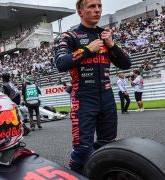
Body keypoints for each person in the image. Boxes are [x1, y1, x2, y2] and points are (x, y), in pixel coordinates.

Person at [53, 0, 131, 173]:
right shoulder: (69, 36)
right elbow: (60, 63)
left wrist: (112, 45)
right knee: (82, 149)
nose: (97, 10)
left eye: (99, 6)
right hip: (83, 98)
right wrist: (88, 49)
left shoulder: (105, 35)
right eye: (92, 6)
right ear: (80, 11)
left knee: (108, 146)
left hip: (107, 97)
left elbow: (126, 64)